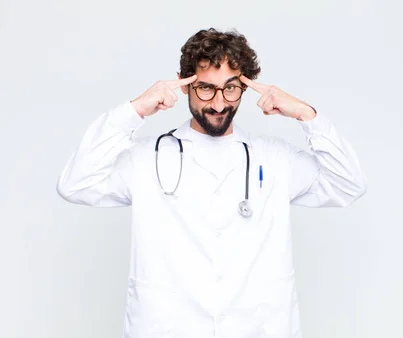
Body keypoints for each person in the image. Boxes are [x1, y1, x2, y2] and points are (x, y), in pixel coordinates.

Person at [56, 27, 367, 338]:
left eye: (230, 89)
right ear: (185, 83)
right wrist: (134, 110)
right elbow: (75, 184)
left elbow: (349, 184)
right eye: (206, 88)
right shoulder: (146, 158)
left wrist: (306, 115)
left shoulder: (274, 159)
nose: (219, 104)